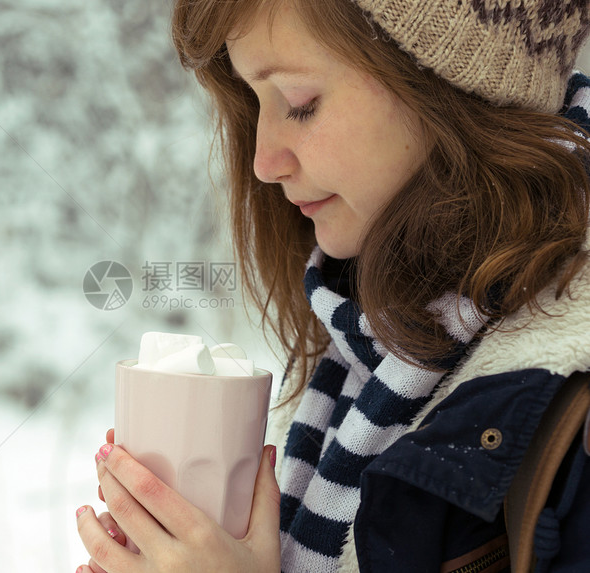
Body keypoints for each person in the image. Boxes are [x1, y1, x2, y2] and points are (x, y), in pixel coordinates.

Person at [75, 0, 590, 571]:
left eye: (299, 103)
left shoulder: (571, 395)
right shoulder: (357, 347)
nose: (262, 164)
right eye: (253, 103)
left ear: (452, 89)